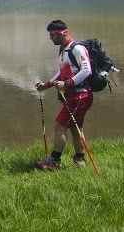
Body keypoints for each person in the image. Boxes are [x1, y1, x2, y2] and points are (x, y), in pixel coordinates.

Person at [34, 19, 93, 170]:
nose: (51, 38)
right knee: (75, 128)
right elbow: (62, 73)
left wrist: (67, 84)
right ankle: (79, 160)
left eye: (54, 35)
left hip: (80, 96)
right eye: (50, 35)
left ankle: (54, 162)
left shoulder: (77, 48)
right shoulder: (63, 50)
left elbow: (87, 70)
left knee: (59, 126)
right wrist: (46, 85)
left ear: (64, 32)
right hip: (74, 96)